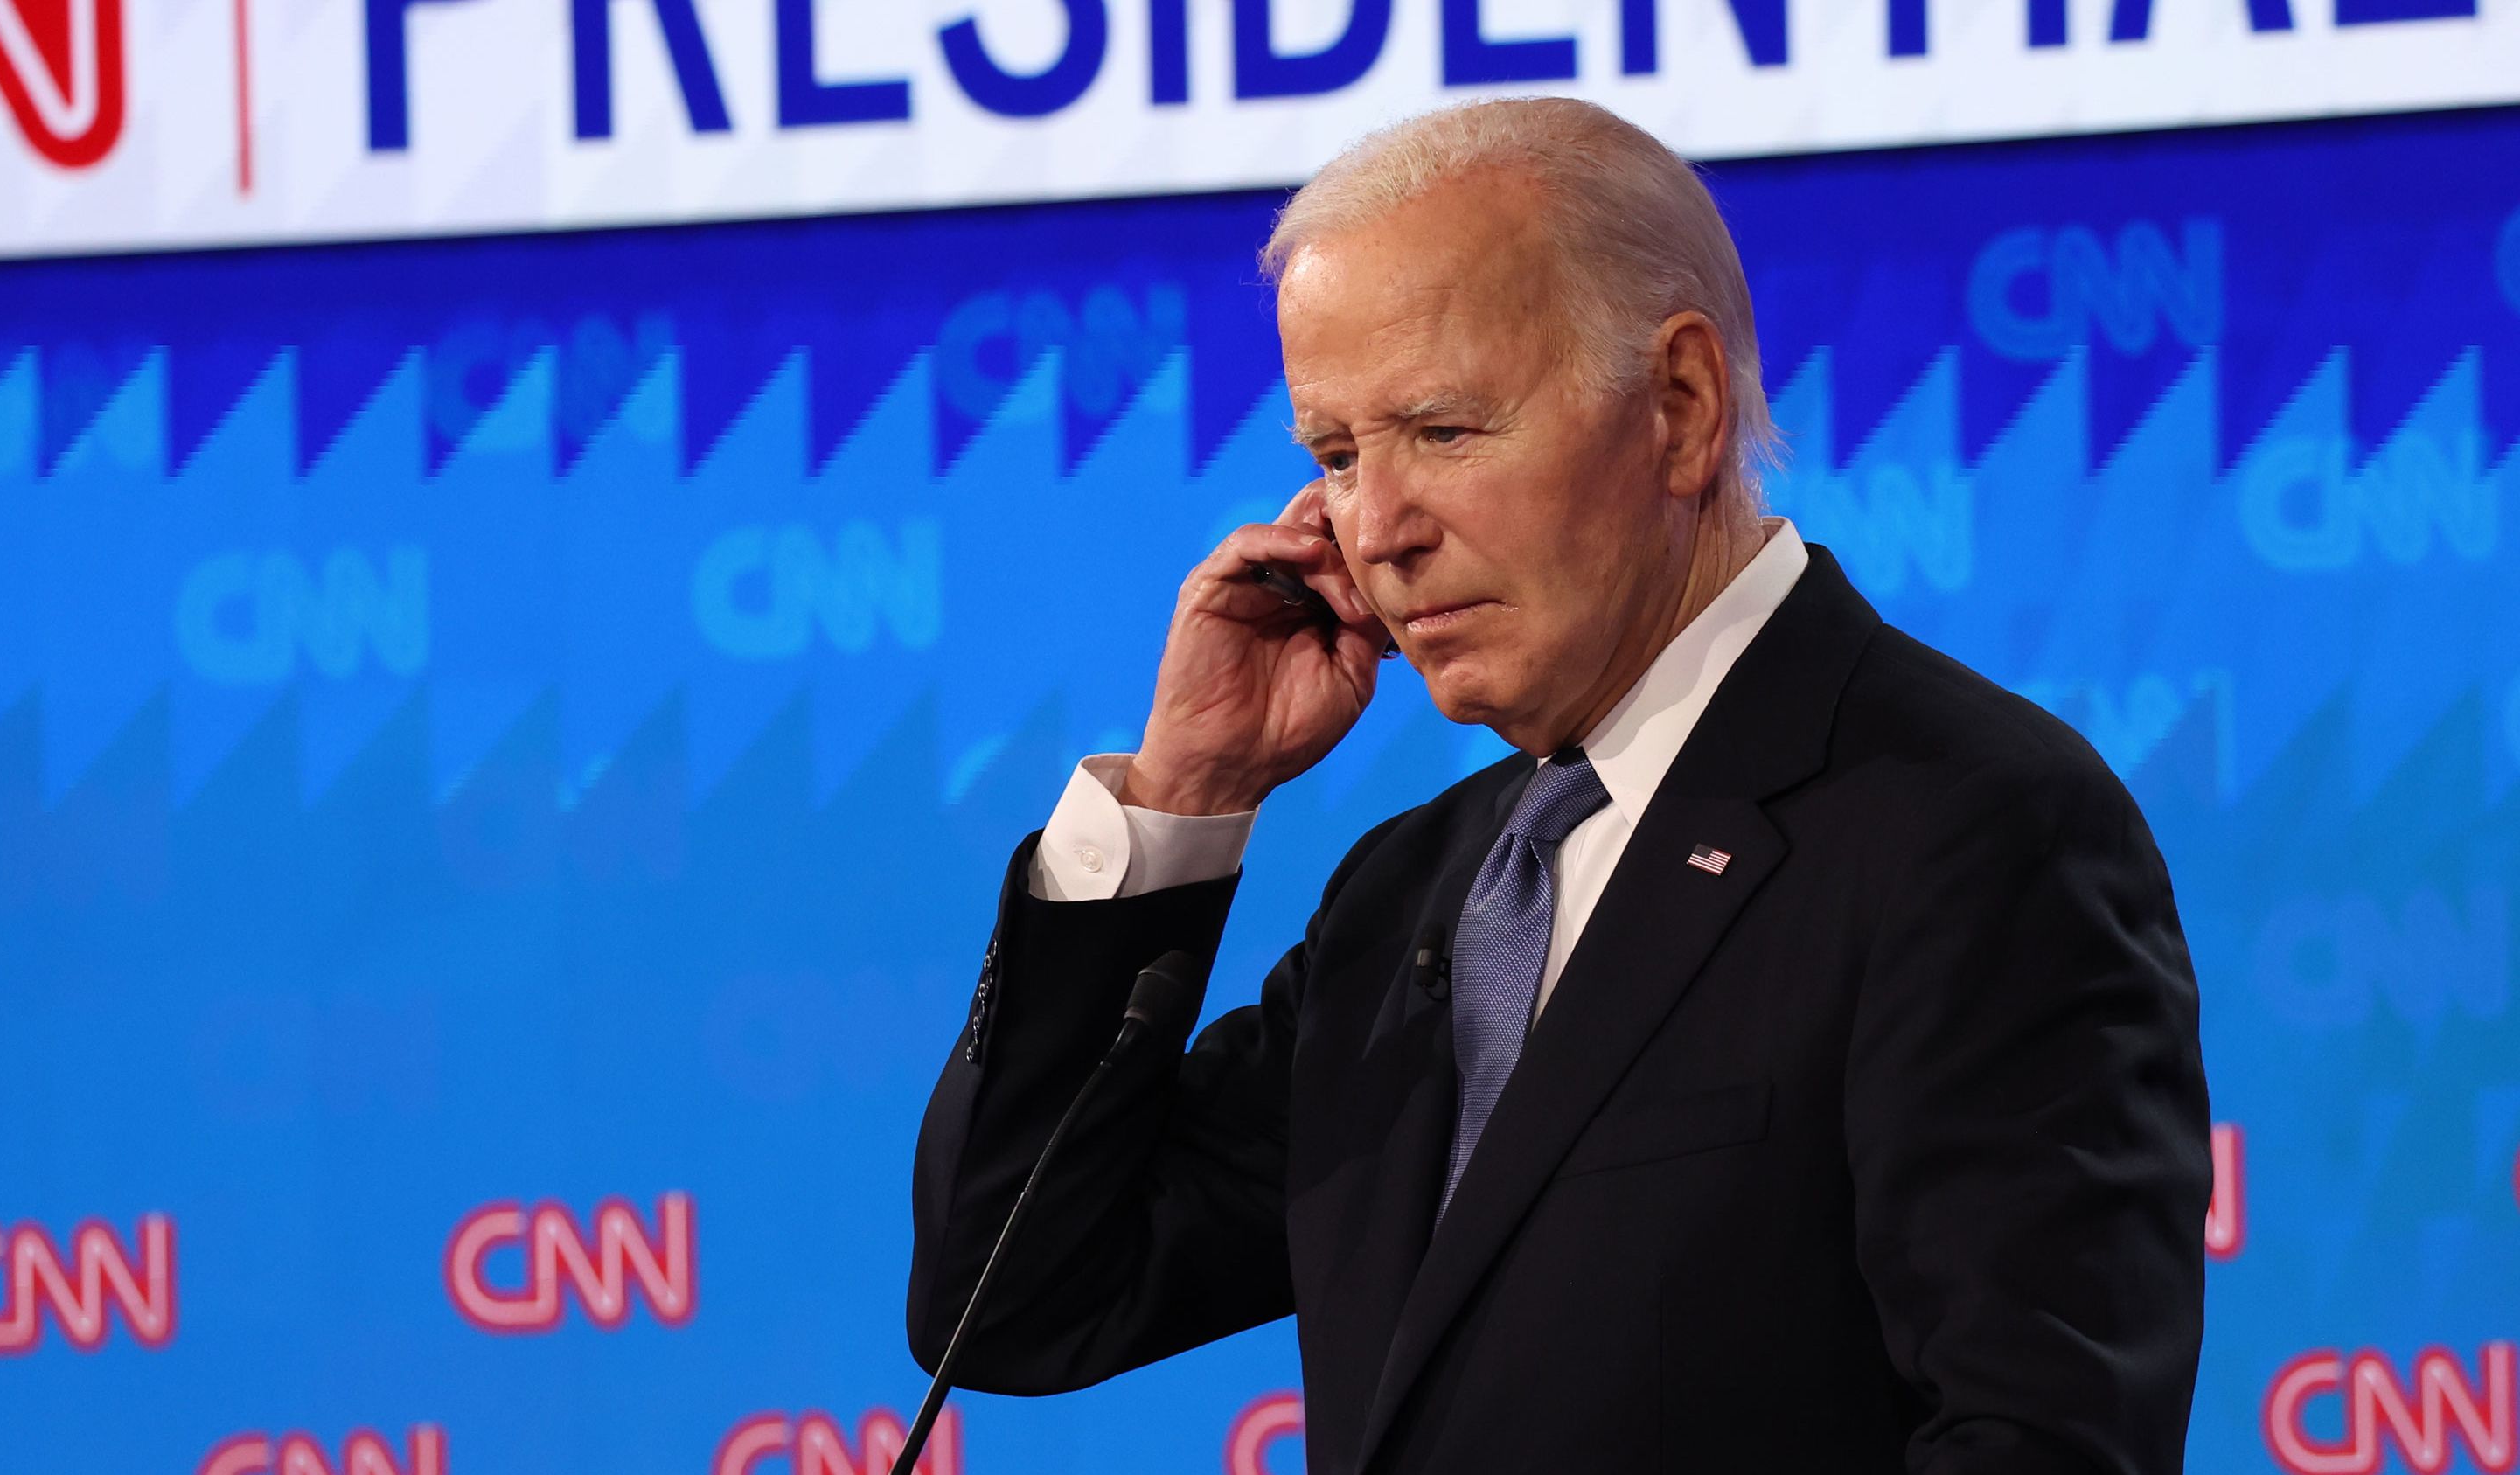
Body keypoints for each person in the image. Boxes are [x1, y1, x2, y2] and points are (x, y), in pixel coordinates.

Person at [906, 96, 2210, 1474]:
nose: (1381, 529)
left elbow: (2040, 1443)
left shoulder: (1967, 826)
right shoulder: (1412, 894)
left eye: (1447, 430)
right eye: (1337, 457)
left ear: (1680, 407)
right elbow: (1020, 1297)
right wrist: (1184, 793)